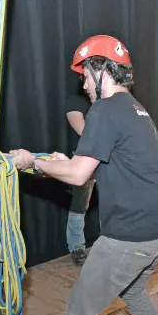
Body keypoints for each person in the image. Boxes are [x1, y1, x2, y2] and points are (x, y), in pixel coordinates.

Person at [9, 35, 158, 315]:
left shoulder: (105, 110)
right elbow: (97, 163)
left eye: (85, 74)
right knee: (134, 293)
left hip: (132, 235)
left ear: (102, 70)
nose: (83, 84)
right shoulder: (133, 109)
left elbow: (76, 175)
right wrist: (56, 159)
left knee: (80, 313)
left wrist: (29, 163)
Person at [64, 88, 95, 265]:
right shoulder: (75, 101)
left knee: (113, 202)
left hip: (109, 157)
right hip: (84, 158)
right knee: (79, 206)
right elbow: (83, 130)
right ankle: (77, 247)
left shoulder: (105, 101)